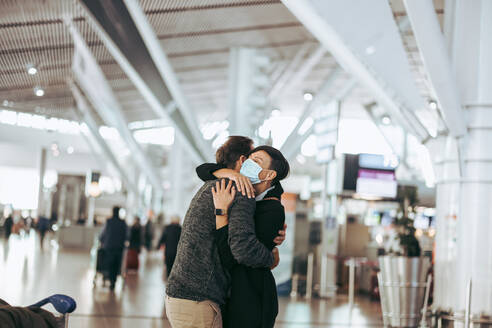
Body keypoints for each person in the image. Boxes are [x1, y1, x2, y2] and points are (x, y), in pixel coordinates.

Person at [165, 136, 282, 328]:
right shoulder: (240, 189)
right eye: (252, 158)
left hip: (180, 295)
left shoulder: (212, 183)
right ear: (243, 160)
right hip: (199, 299)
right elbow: (242, 249)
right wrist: (271, 257)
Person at [197, 145, 290, 328]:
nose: (247, 164)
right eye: (249, 159)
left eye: (256, 162)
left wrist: (221, 213)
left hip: (251, 299)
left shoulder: (272, 210)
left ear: (269, 175)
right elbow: (202, 170)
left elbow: (233, 256)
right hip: (235, 293)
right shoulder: (245, 196)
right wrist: (233, 174)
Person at [99, 206, 127, 290]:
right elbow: (126, 235)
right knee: (116, 264)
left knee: (109, 263)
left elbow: (103, 233)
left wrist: (101, 240)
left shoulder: (109, 221)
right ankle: (113, 282)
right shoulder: (123, 223)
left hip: (109, 246)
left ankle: (108, 278)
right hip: (119, 247)